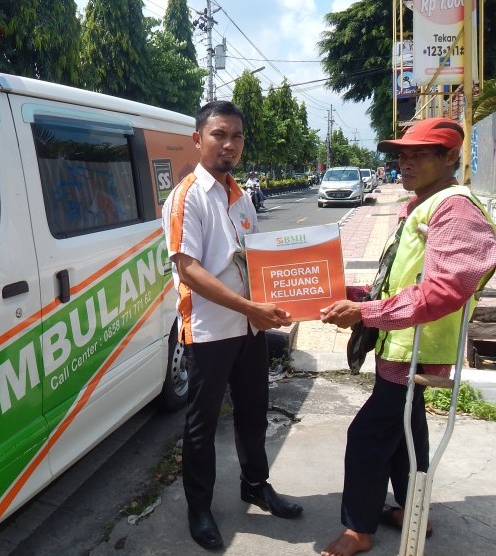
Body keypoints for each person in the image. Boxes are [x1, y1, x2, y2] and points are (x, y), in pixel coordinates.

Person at [318, 118, 496, 556]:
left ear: (450, 157)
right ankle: (411, 507)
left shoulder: (454, 209)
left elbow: (444, 289)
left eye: (421, 154)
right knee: (407, 428)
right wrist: (352, 295)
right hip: (402, 347)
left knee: (366, 437)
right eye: (402, 154)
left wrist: (367, 312)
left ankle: (359, 530)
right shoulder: (425, 203)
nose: (406, 162)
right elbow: (403, 280)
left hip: (417, 350)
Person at [161, 100, 303, 551]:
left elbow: (256, 259)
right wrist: (249, 307)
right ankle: (199, 509)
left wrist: (284, 298)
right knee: (202, 425)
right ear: (198, 139)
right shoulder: (188, 196)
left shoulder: (240, 196)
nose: (229, 144)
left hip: (250, 330)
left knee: (252, 413)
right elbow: (189, 270)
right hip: (208, 333)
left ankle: (255, 485)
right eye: (219, 134)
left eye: (237, 136)